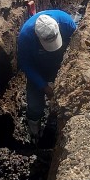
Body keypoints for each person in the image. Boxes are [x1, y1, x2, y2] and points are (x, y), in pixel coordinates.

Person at [17, 10, 77, 142]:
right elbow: (25, 64)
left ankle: (55, 125)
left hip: (61, 64)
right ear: (37, 36)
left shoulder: (67, 22)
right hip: (38, 68)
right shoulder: (26, 36)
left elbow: (78, 47)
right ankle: (34, 134)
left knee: (63, 102)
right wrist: (43, 86)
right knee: (34, 105)